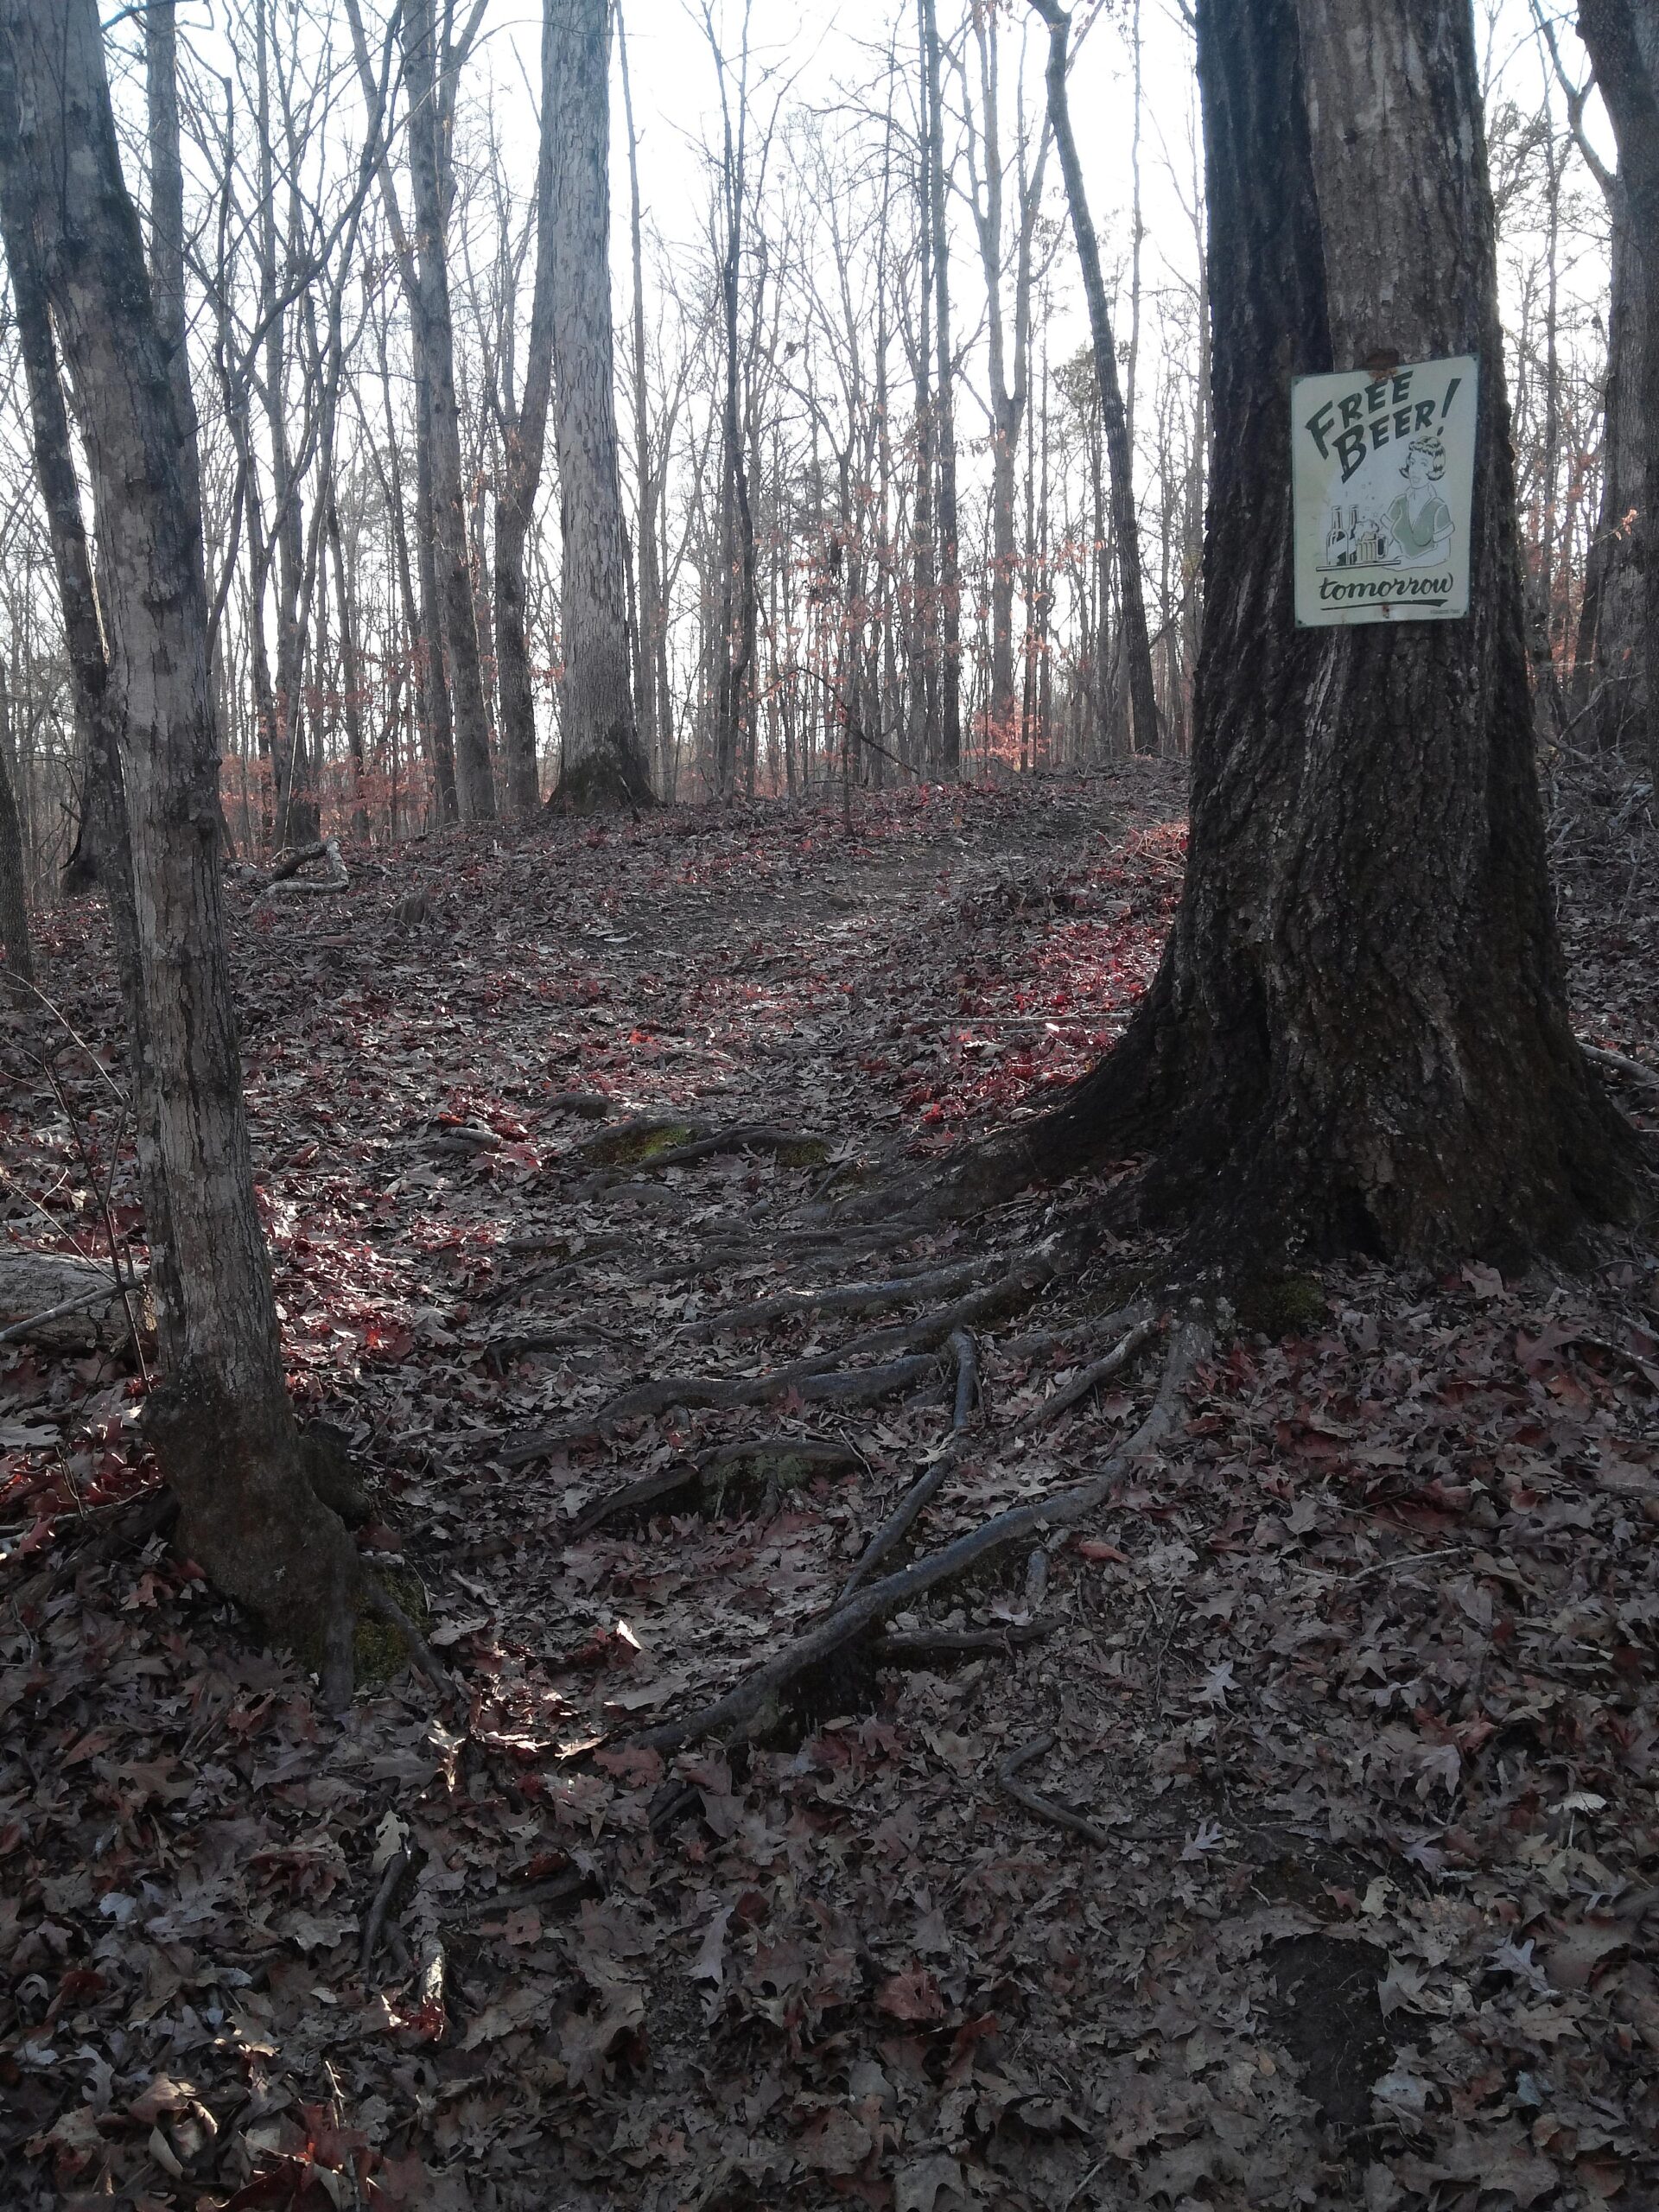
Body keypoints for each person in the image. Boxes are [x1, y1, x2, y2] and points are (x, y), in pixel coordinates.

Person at [1383, 434, 1454, 568]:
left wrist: (1409, 564)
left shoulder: (1439, 508)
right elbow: (1384, 539)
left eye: (1423, 464)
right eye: (1413, 463)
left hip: (1427, 582)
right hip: (1392, 580)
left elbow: (1443, 554)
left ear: (1434, 469)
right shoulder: (1399, 502)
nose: (1415, 470)